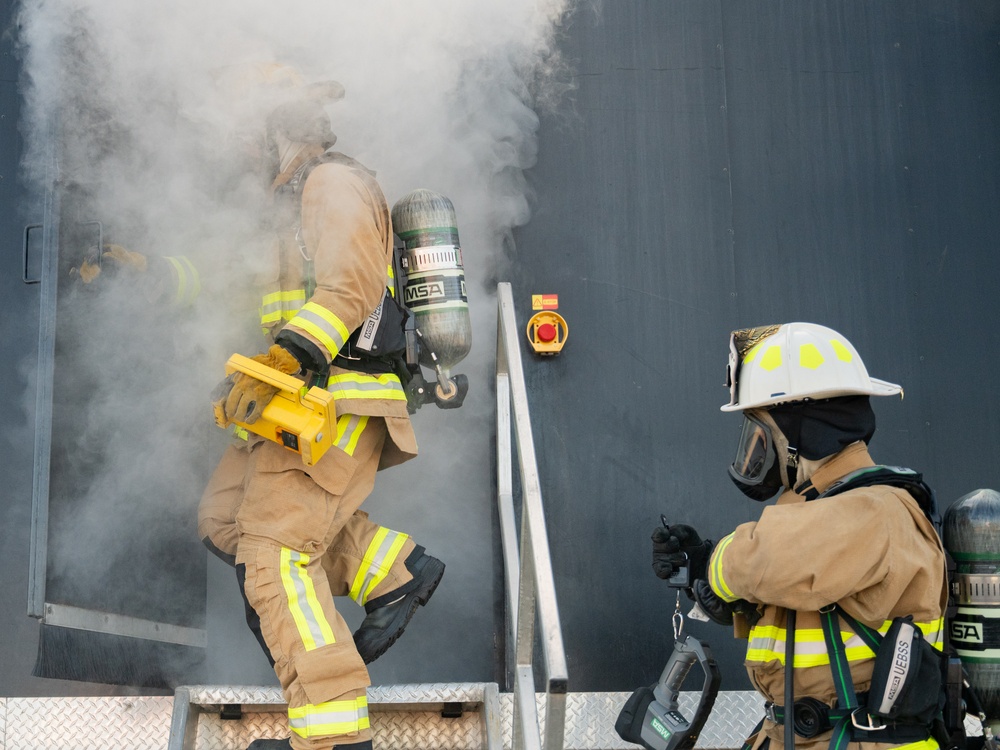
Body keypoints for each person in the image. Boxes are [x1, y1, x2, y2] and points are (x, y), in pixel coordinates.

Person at [200, 66, 445, 750]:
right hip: (293, 402)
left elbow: (352, 284)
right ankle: (392, 571)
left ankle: (333, 735)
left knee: (276, 554)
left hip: (333, 400)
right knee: (224, 519)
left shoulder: (330, 182)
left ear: (274, 123)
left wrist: (290, 357)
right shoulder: (284, 200)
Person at [651, 322, 948, 750]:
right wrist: (707, 582)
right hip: (801, 736)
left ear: (799, 431)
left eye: (762, 430)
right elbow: (796, 603)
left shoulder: (877, 509)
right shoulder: (820, 513)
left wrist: (713, 563)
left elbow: (767, 558)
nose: (756, 448)